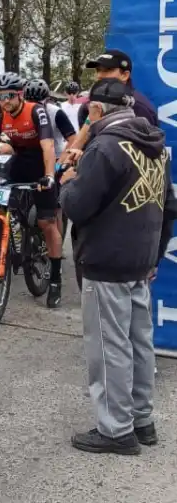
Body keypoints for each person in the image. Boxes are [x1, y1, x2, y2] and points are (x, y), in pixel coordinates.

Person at [59, 78, 177, 455]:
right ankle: (141, 419)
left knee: (109, 346)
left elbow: (77, 206)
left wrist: (68, 182)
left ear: (95, 110)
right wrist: (154, 256)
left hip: (107, 257)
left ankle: (115, 429)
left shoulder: (105, 146)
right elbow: (169, 206)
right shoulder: (157, 146)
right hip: (140, 257)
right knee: (139, 342)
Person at [0, 72, 63, 308]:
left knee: (47, 224)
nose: (4, 101)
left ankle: (55, 278)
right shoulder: (0, 118)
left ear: (19, 95)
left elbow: (47, 146)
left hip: (40, 166)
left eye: (9, 96)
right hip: (18, 165)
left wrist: (48, 176)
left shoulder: (36, 111)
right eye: (0, 96)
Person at [79, 50, 158, 129]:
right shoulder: (89, 105)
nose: (99, 75)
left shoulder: (139, 107)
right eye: (98, 70)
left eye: (107, 70)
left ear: (125, 75)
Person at [23, 78, 76, 159]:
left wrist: (60, 162)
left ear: (47, 99)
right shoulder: (23, 111)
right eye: (30, 104)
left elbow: (73, 139)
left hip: (55, 156)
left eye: (38, 104)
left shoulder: (56, 112)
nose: (35, 107)